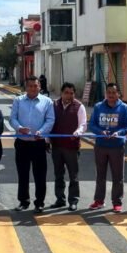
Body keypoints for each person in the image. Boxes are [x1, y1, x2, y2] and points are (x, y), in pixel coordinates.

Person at [10, 75, 55, 213]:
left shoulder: (47, 102)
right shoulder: (18, 100)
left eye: (35, 86)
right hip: (22, 143)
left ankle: (39, 202)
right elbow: (13, 118)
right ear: (26, 87)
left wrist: (41, 131)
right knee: (23, 174)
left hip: (39, 143)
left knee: (40, 175)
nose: (33, 88)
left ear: (40, 87)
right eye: (30, 86)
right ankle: (23, 201)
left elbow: (50, 120)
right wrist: (19, 128)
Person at [88, 83, 127, 213]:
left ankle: (117, 202)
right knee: (100, 175)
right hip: (100, 146)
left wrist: (118, 133)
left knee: (117, 176)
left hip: (117, 147)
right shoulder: (98, 107)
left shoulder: (124, 108)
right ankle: (99, 201)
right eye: (109, 92)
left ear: (118, 94)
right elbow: (92, 124)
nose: (111, 95)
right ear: (105, 93)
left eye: (114, 92)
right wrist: (100, 132)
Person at [50, 82, 87, 211]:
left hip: (72, 147)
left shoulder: (79, 106)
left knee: (73, 176)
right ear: (61, 92)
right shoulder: (53, 105)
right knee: (58, 175)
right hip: (56, 147)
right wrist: (46, 139)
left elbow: (83, 124)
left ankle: (73, 200)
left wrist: (78, 132)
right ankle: (60, 199)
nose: (69, 95)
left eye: (72, 93)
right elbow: (49, 122)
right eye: (66, 93)